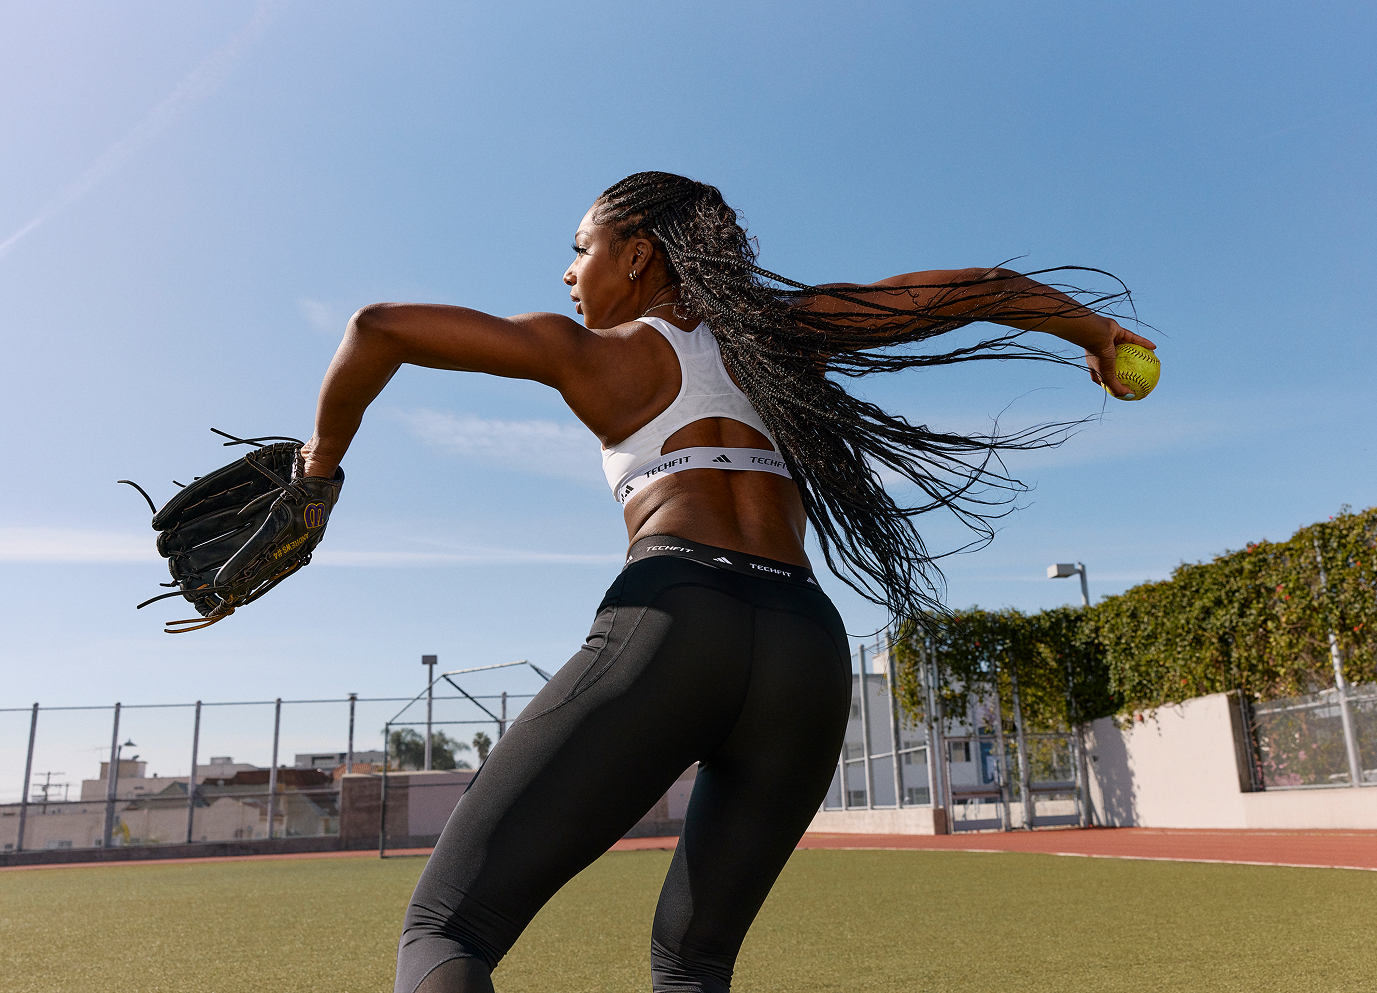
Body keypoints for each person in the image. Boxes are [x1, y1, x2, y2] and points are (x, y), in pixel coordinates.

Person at [300, 171, 1154, 993]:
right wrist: (1093, 334)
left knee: (449, 928)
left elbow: (378, 328)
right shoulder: (791, 330)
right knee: (693, 967)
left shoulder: (593, 354)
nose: (567, 271)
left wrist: (319, 470)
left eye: (581, 247)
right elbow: (977, 288)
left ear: (635, 253)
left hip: (675, 619)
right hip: (805, 648)